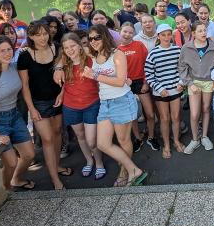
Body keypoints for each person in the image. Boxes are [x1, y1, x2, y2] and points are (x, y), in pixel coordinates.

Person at [85, 24, 148, 186]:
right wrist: (57, 67)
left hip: (122, 101)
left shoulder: (117, 54)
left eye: (97, 37)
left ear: (105, 37)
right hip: (105, 103)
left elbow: (121, 81)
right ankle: (134, 169)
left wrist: (95, 76)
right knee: (102, 143)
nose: (93, 41)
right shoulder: (94, 56)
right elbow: (70, 52)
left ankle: (125, 172)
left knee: (123, 140)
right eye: (90, 38)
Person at [0, 37, 35, 189]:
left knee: (29, 154)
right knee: (11, 162)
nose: (7, 53)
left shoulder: (14, 67)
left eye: (9, 49)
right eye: (2, 50)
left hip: (13, 115)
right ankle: (6, 191)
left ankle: (15, 179)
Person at [18, 21, 67, 190]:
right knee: (47, 139)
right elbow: (24, 85)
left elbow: (66, 73)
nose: (43, 37)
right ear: (30, 36)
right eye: (38, 34)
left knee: (57, 133)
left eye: (45, 33)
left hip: (57, 99)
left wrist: (62, 93)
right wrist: (31, 108)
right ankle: (54, 178)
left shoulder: (57, 48)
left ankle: (57, 165)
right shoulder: (25, 56)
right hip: (38, 103)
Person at [54, 33, 105, 180]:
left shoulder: (91, 60)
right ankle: (89, 160)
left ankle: (99, 162)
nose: (70, 50)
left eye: (73, 46)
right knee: (80, 136)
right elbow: (66, 84)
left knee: (91, 139)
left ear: (80, 45)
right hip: (71, 105)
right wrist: (62, 92)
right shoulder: (64, 64)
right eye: (66, 48)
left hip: (91, 103)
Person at [179, 22, 214, 154]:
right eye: (200, 31)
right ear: (193, 33)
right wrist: (189, 83)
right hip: (194, 83)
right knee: (195, 113)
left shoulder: (213, 46)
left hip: (208, 82)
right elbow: (182, 67)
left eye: (205, 30)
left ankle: (204, 136)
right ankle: (195, 139)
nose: (203, 33)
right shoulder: (186, 48)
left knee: (206, 109)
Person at [145, 24, 185, 157]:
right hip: (160, 92)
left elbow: (183, 69)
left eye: (169, 34)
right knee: (164, 118)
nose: (166, 37)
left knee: (176, 117)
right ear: (158, 36)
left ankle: (176, 141)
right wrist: (159, 88)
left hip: (175, 90)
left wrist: (181, 82)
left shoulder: (177, 50)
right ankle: (166, 145)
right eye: (163, 35)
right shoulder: (153, 53)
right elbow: (149, 74)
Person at [117, 23, 155, 152]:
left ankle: (151, 137)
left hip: (141, 81)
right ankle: (138, 138)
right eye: (125, 32)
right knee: (132, 115)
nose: (127, 35)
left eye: (130, 32)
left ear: (134, 34)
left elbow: (147, 64)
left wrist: (146, 82)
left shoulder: (139, 45)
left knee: (149, 113)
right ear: (119, 32)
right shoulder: (116, 49)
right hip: (126, 84)